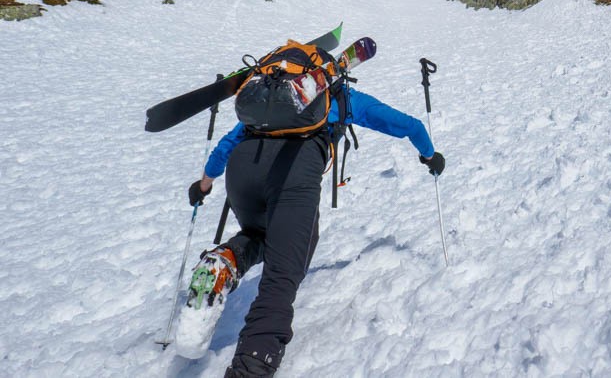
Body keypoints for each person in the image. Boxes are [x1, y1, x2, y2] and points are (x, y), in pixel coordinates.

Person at [186, 86, 445, 377]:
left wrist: (204, 184)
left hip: (242, 170)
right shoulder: (341, 96)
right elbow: (409, 126)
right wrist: (429, 156)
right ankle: (252, 367)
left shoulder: (271, 99)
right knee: (283, 274)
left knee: (263, 234)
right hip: (294, 171)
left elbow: (227, 143)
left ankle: (225, 261)